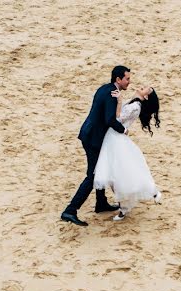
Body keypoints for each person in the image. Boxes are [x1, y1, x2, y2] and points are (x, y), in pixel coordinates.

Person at [60, 66, 131, 226]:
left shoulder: (105, 89)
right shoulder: (111, 94)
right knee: (93, 175)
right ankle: (70, 210)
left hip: (90, 134)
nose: (129, 81)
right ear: (118, 80)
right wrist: (124, 130)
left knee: (101, 170)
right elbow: (110, 120)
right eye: (127, 78)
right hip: (93, 139)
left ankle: (101, 203)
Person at [93, 86, 162, 221]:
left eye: (146, 89)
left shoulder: (136, 106)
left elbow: (117, 119)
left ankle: (126, 207)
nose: (142, 87)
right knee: (116, 174)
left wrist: (119, 101)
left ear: (146, 96)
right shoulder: (134, 102)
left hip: (115, 139)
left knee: (120, 174)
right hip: (112, 138)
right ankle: (126, 206)